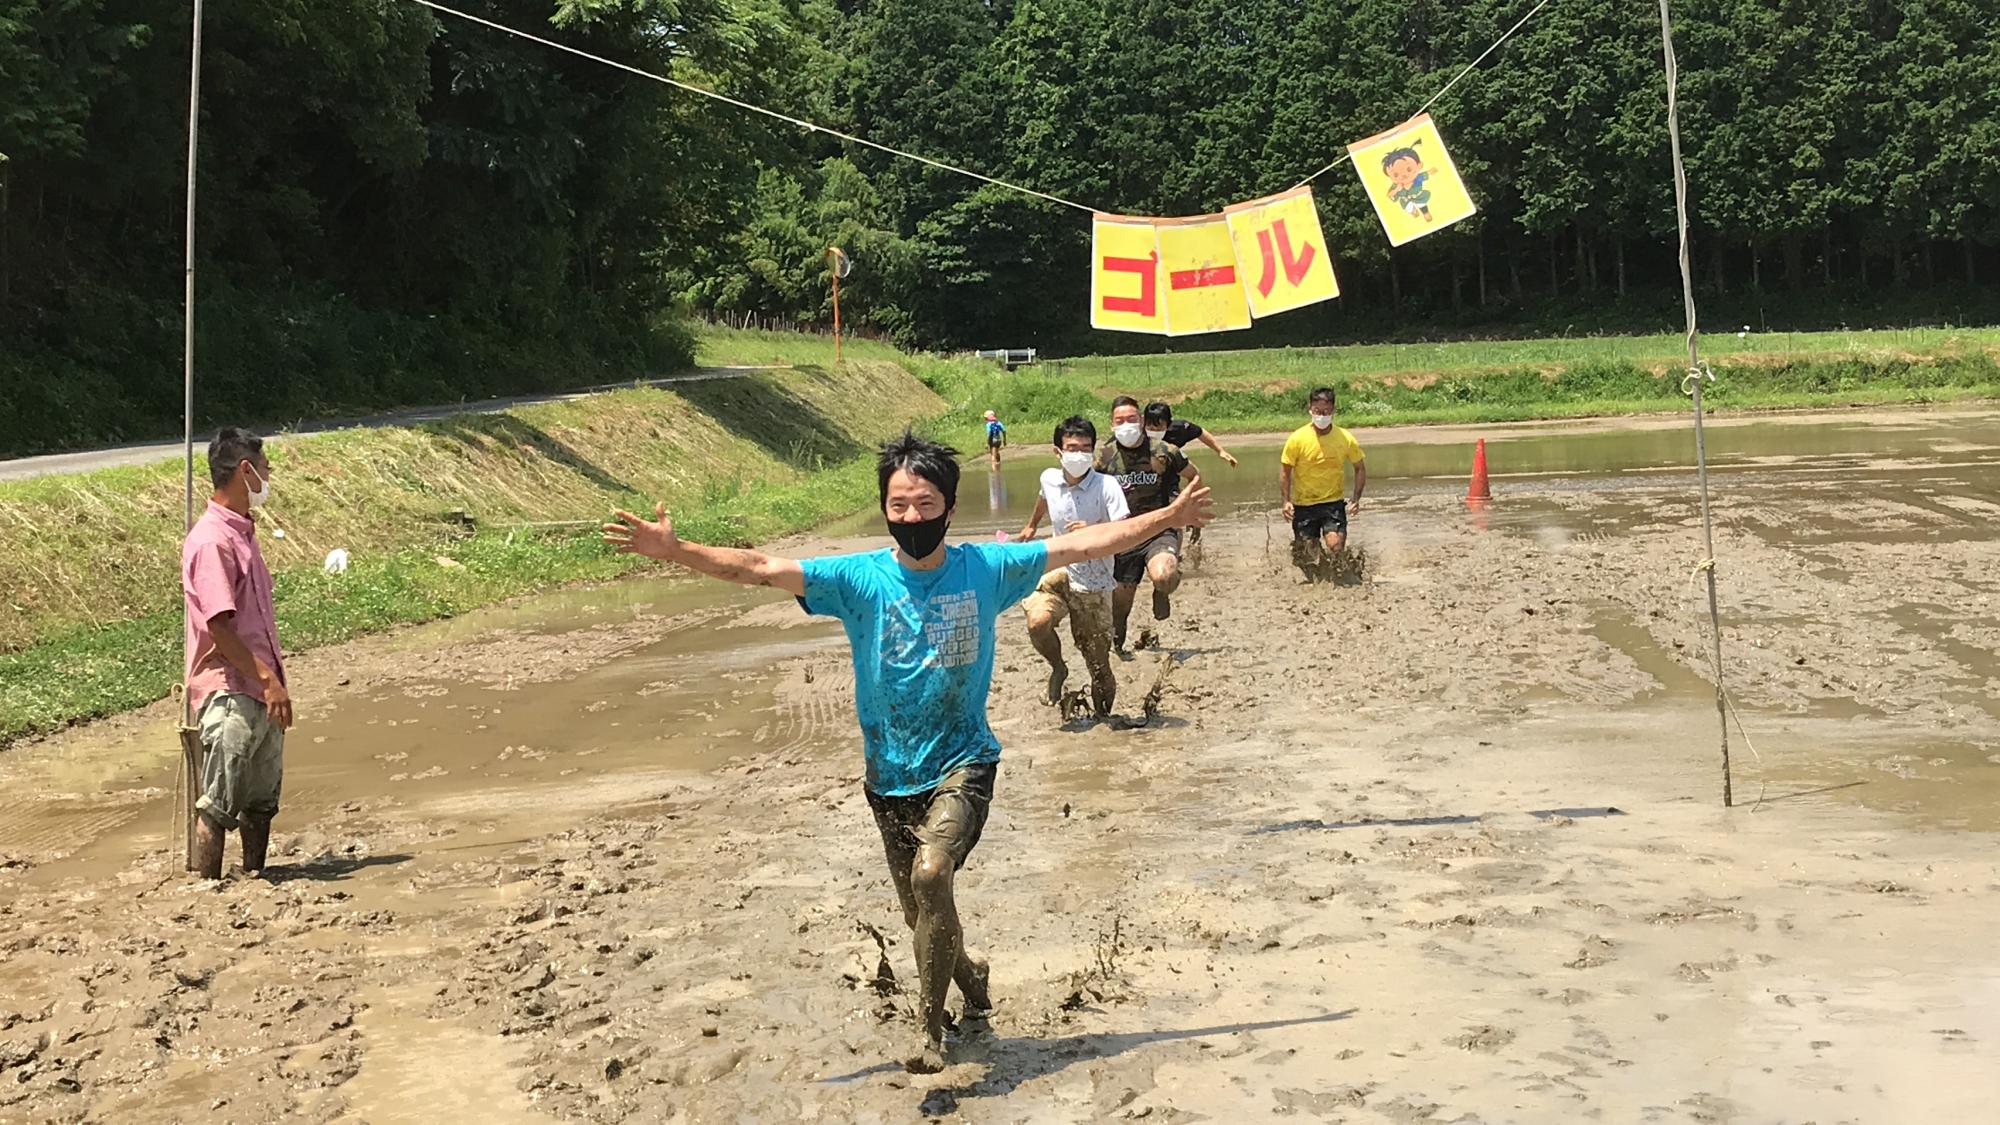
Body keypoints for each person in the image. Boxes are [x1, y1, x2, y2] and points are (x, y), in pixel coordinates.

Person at [603, 431, 1211, 1073]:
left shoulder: (986, 568)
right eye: (899, 507)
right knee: (921, 912)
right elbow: (757, 568)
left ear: (949, 508)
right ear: (885, 510)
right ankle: (972, 981)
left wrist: (1165, 519)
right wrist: (676, 552)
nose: (912, 518)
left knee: (931, 875)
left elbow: (1086, 542)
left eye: (925, 505)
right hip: (888, 775)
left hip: (965, 761)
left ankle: (930, 1031)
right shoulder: (854, 579)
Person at [181, 427, 293, 880]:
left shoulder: (244, 535)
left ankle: (254, 877)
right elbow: (220, 628)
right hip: (230, 690)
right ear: (244, 471)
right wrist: (267, 679)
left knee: (261, 801)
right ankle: (206, 889)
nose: (270, 477)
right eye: (265, 469)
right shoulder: (212, 541)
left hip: (261, 688)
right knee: (219, 803)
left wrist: (270, 683)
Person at [1017, 416, 1128, 717]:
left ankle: (1105, 721)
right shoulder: (1048, 478)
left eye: (1085, 448)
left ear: (1093, 451)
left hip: (1094, 580)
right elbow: (1044, 498)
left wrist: (1091, 531)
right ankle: (1058, 668)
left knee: (1098, 663)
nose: (1079, 454)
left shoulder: (1107, 486)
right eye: (1072, 448)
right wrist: (1030, 526)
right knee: (1037, 622)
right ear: (1058, 451)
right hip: (1058, 569)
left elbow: (1124, 534)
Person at [1097, 397, 1199, 648]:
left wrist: (1190, 510)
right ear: (1112, 424)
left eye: (1132, 419)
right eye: (1120, 421)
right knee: (1120, 606)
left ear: (1141, 421)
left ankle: (1161, 590)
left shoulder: (1164, 451)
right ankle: (1118, 642)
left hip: (1160, 530)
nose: (1126, 425)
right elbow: (1087, 492)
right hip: (1123, 536)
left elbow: (1193, 476)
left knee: (1164, 574)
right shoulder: (1103, 457)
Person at [1279, 387, 1368, 581]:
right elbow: (1286, 471)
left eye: (1326, 412)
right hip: (1304, 505)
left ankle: (1347, 569)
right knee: (1309, 557)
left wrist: (1356, 498)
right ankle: (1322, 574)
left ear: (1333, 410)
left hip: (1332, 503)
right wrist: (1285, 501)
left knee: (1335, 546)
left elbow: (1360, 468)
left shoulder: (1345, 438)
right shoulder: (1297, 439)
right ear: (1310, 409)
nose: (1322, 416)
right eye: (1318, 412)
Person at [1142, 401, 1239, 468]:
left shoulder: (1179, 428)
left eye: (1159, 427)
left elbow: (1200, 432)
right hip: (1143, 466)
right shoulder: (1136, 431)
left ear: (1168, 424)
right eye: (1150, 427)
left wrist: (1220, 451)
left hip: (1170, 463)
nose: (1154, 430)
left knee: (1195, 475)